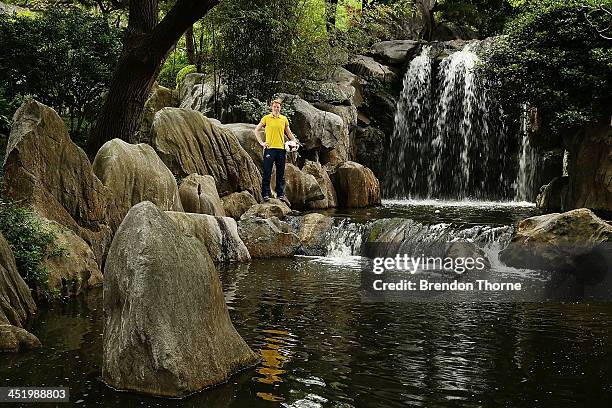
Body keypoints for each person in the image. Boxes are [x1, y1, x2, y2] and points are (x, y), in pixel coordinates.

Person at [254, 98, 298, 202]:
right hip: (270, 149)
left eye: (278, 106)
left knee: (280, 173)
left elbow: (289, 133)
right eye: (274, 106)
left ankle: (280, 194)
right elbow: (256, 130)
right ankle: (265, 194)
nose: (276, 108)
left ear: (280, 108)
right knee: (267, 172)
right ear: (271, 107)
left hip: (281, 149)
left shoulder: (284, 119)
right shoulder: (266, 118)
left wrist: (294, 141)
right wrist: (261, 143)